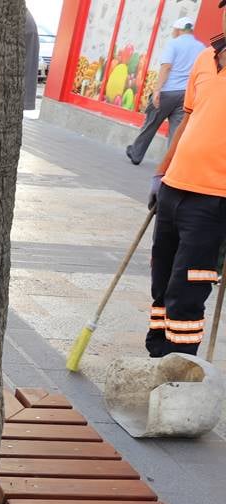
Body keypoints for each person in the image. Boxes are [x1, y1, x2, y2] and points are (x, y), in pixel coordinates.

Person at [145, 4, 226, 359]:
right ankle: (157, 358)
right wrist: (161, 173)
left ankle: (179, 370)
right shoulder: (206, 57)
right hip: (175, 187)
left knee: (187, 287)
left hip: (215, 200)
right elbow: (188, 121)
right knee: (162, 281)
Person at [127, 17, 204, 165]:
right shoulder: (200, 47)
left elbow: (166, 67)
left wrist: (157, 90)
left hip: (167, 92)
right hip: (185, 94)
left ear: (178, 29)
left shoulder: (173, 44)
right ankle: (171, 165)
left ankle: (136, 154)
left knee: (151, 124)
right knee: (176, 133)